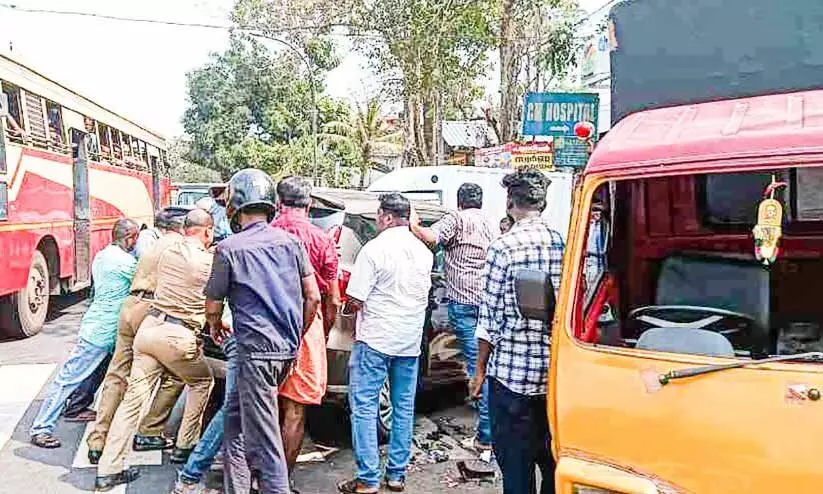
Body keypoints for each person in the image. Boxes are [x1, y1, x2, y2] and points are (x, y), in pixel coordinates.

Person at [206, 168, 320, 494]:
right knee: (235, 425)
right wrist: (296, 335)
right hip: (283, 350)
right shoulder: (292, 243)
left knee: (264, 438)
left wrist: (215, 327)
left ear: (235, 206)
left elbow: (213, 307)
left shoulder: (228, 249)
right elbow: (311, 296)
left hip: (254, 352)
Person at [95, 209, 216, 491]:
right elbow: (214, 305)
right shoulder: (208, 262)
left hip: (149, 330)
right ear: (208, 231)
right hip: (178, 335)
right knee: (201, 381)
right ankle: (185, 447)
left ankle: (108, 469)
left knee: (132, 402)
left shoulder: (166, 251)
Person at [471, 169, 565, 494]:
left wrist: (479, 371)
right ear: (544, 203)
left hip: (512, 378)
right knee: (552, 467)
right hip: (555, 377)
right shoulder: (563, 244)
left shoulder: (503, 247)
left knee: (515, 471)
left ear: (510, 202)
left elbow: (489, 320)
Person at [338, 193, 433, 494]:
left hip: (376, 339)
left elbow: (356, 298)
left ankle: (367, 478)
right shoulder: (424, 252)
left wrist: (346, 311)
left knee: (364, 407)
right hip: (409, 342)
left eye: (379, 215)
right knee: (403, 407)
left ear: (388, 217)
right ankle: (396, 475)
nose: (378, 220)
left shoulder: (374, 250)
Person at [86, 208, 189, 464]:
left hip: (130, 306)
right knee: (176, 373)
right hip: (153, 310)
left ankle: (98, 440)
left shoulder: (150, 243)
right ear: (183, 227)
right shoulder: (180, 247)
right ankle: (149, 431)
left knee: (116, 375)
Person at [30, 219, 140, 449]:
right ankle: (41, 427)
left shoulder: (103, 255)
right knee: (68, 379)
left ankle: (76, 409)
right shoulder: (124, 262)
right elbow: (144, 281)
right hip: (102, 331)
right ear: (130, 236)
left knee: (96, 375)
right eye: (136, 237)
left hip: (102, 327)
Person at [409, 183, 495, 451]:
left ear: (459, 202)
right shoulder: (490, 223)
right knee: (488, 366)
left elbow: (431, 239)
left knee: (477, 370)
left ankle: (486, 437)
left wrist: (412, 223)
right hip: (487, 303)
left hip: (463, 304)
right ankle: (492, 431)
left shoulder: (456, 219)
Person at [271, 176, 341, 488]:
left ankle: (259, 474)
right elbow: (332, 298)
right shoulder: (321, 238)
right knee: (295, 410)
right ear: (309, 205)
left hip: (265, 324)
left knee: (263, 406)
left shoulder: (264, 234)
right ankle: (280, 482)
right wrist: (320, 332)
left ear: (277, 203)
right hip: (305, 325)